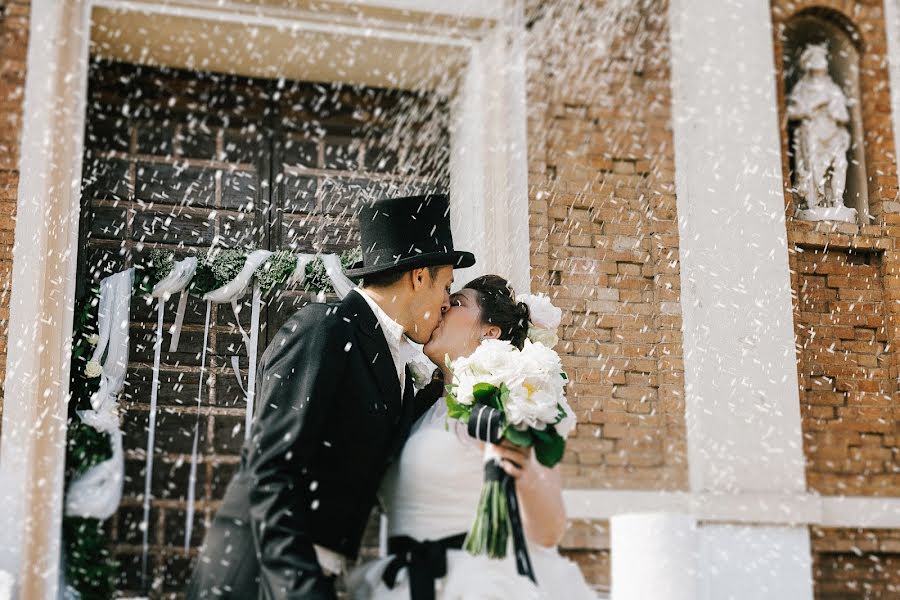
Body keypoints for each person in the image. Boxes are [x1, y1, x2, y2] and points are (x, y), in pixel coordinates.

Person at [187, 194, 474, 599]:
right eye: (447, 285)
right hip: (261, 579)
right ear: (419, 277)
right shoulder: (326, 329)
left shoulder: (396, 368)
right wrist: (299, 588)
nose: (447, 302)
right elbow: (269, 473)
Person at [347, 275, 597, 600]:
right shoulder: (419, 407)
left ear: (489, 332)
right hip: (407, 582)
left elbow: (549, 529)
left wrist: (524, 471)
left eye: (458, 302)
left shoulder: (506, 402)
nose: (444, 306)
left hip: (476, 584)